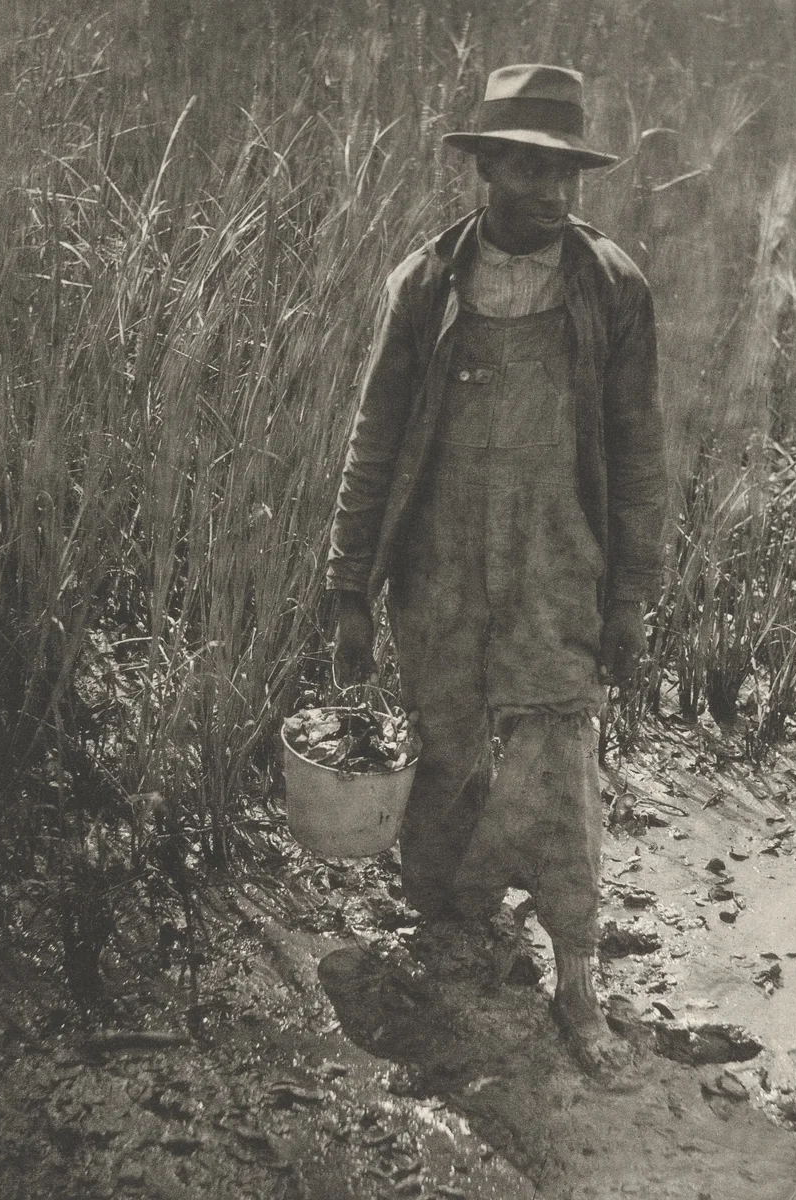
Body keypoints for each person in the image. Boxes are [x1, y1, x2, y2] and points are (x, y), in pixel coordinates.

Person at [326, 63, 666, 1074]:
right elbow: (372, 443)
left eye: (565, 173)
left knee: (561, 768)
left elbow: (640, 452)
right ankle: (452, 932)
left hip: (559, 565)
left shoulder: (612, 289)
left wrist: (633, 597)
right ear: (484, 170)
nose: (553, 194)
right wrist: (348, 588)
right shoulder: (422, 287)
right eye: (527, 170)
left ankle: (578, 983)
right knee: (447, 759)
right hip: (436, 568)